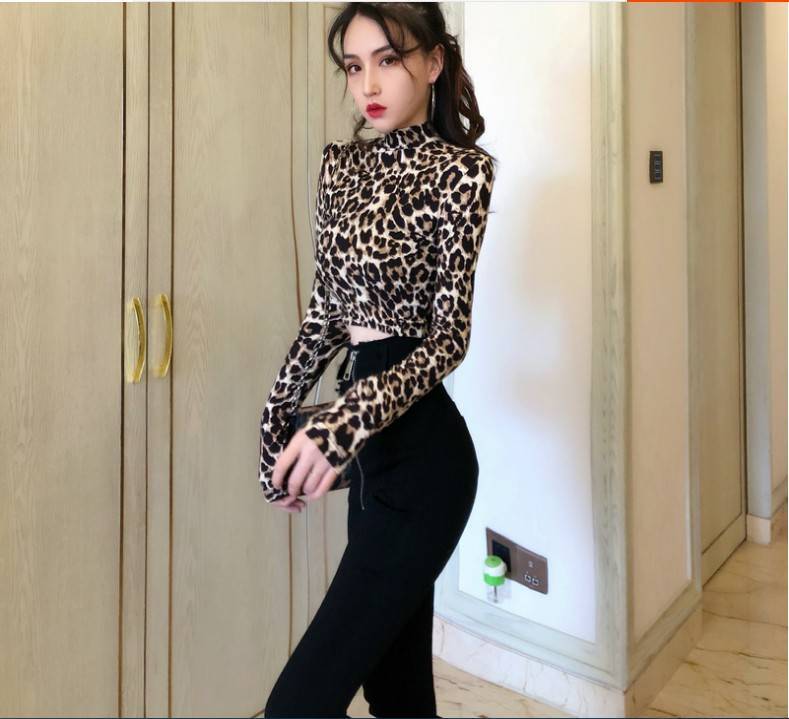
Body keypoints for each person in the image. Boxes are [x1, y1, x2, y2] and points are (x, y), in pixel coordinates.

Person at [259, 3, 497, 716]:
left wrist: (343, 421)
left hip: (426, 464)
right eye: (354, 66)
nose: (368, 83)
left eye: (389, 60)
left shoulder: (461, 174)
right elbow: (323, 314)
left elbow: (448, 338)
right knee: (395, 690)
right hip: (370, 464)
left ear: (433, 62)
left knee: (296, 706)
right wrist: (276, 423)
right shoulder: (340, 168)